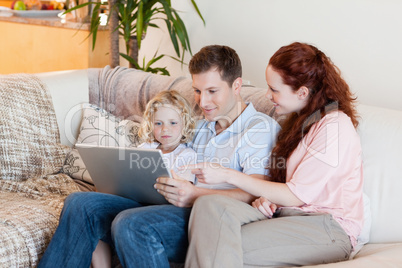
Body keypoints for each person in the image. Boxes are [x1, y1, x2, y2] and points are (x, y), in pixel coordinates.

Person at [38, 45, 280, 268]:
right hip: (167, 204)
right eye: (197, 91)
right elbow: (164, 149)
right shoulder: (198, 125)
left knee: (131, 224)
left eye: (212, 91)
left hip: (209, 219)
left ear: (237, 85)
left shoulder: (258, 128)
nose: (203, 101)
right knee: (80, 204)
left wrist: (195, 194)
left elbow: (255, 192)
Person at [185, 42, 364, 267]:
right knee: (209, 205)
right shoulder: (299, 124)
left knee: (216, 243)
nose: (267, 95)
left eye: (274, 89)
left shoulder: (335, 126)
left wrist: (227, 175)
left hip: (327, 228)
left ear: (302, 92)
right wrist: (267, 201)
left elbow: (296, 195)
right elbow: (287, 190)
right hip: (287, 218)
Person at [91, 90, 197, 267]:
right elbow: (127, 174)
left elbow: (185, 190)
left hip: (162, 210)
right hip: (135, 202)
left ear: (184, 124)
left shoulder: (186, 155)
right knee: (94, 217)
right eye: (158, 123)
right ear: (151, 124)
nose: (165, 129)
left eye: (173, 123)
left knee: (124, 221)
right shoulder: (145, 148)